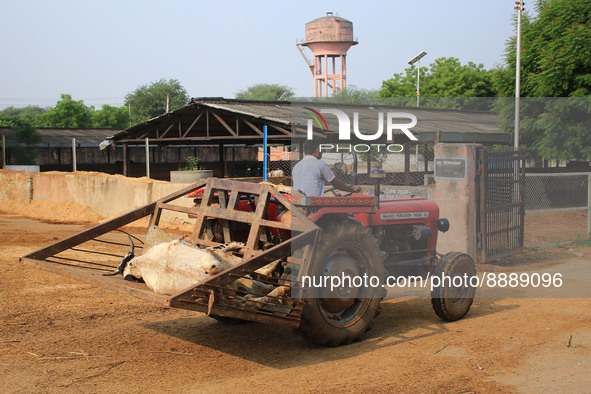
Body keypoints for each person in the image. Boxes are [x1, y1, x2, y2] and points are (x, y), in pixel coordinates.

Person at [292, 141, 362, 197]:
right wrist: (351, 189)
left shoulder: (297, 166)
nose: (322, 152)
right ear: (318, 149)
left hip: (300, 201)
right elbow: (335, 183)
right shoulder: (320, 164)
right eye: (322, 149)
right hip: (314, 203)